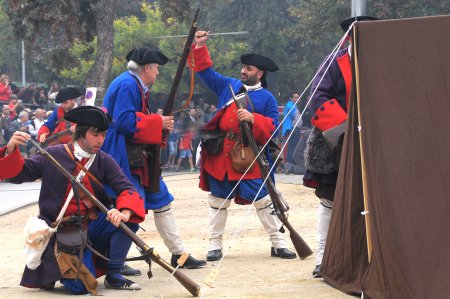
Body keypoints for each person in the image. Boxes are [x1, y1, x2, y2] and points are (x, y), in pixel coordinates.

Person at [0, 106, 145, 293]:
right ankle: (52, 269)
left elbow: (127, 189)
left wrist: (123, 212)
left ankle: (114, 274)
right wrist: (11, 148)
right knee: (80, 288)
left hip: (90, 227)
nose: (101, 140)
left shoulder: (104, 160)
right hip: (60, 231)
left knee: (130, 220)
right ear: (81, 134)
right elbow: (19, 173)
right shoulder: (53, 154)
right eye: (95, 134)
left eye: (103, 135)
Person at [192, 31, 296, 261]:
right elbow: (205, 72)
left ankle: (278, 244)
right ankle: (214, 246)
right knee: (218, 201)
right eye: (243, 67)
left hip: (249, 156)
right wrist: (199, 47)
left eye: (249, 69)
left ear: (260, 73)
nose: (244, 71)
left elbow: (273, 129)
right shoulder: (228, 85)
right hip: (221, 155)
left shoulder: (267, 98)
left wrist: (253, 118)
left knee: (262, 199)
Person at [102, 47, 206, 270]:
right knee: (130, 209)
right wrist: (157, 122)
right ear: (147, 67)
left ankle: (178, 254)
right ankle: (114, 264)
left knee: (161, 201)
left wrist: (156, 122)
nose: (158, 73)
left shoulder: (134, 84)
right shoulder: (127, 84)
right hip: (124, 156)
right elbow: (124, 122)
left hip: (137, 156)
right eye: (156, 68)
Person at [303, 16, 378, 278]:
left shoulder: (381, 63)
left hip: (375, 145)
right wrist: (347, 130)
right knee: (329, 201)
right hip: (338, 145)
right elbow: (318, 98)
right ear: (348, 37)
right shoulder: (334, 63)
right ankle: (323, 261)